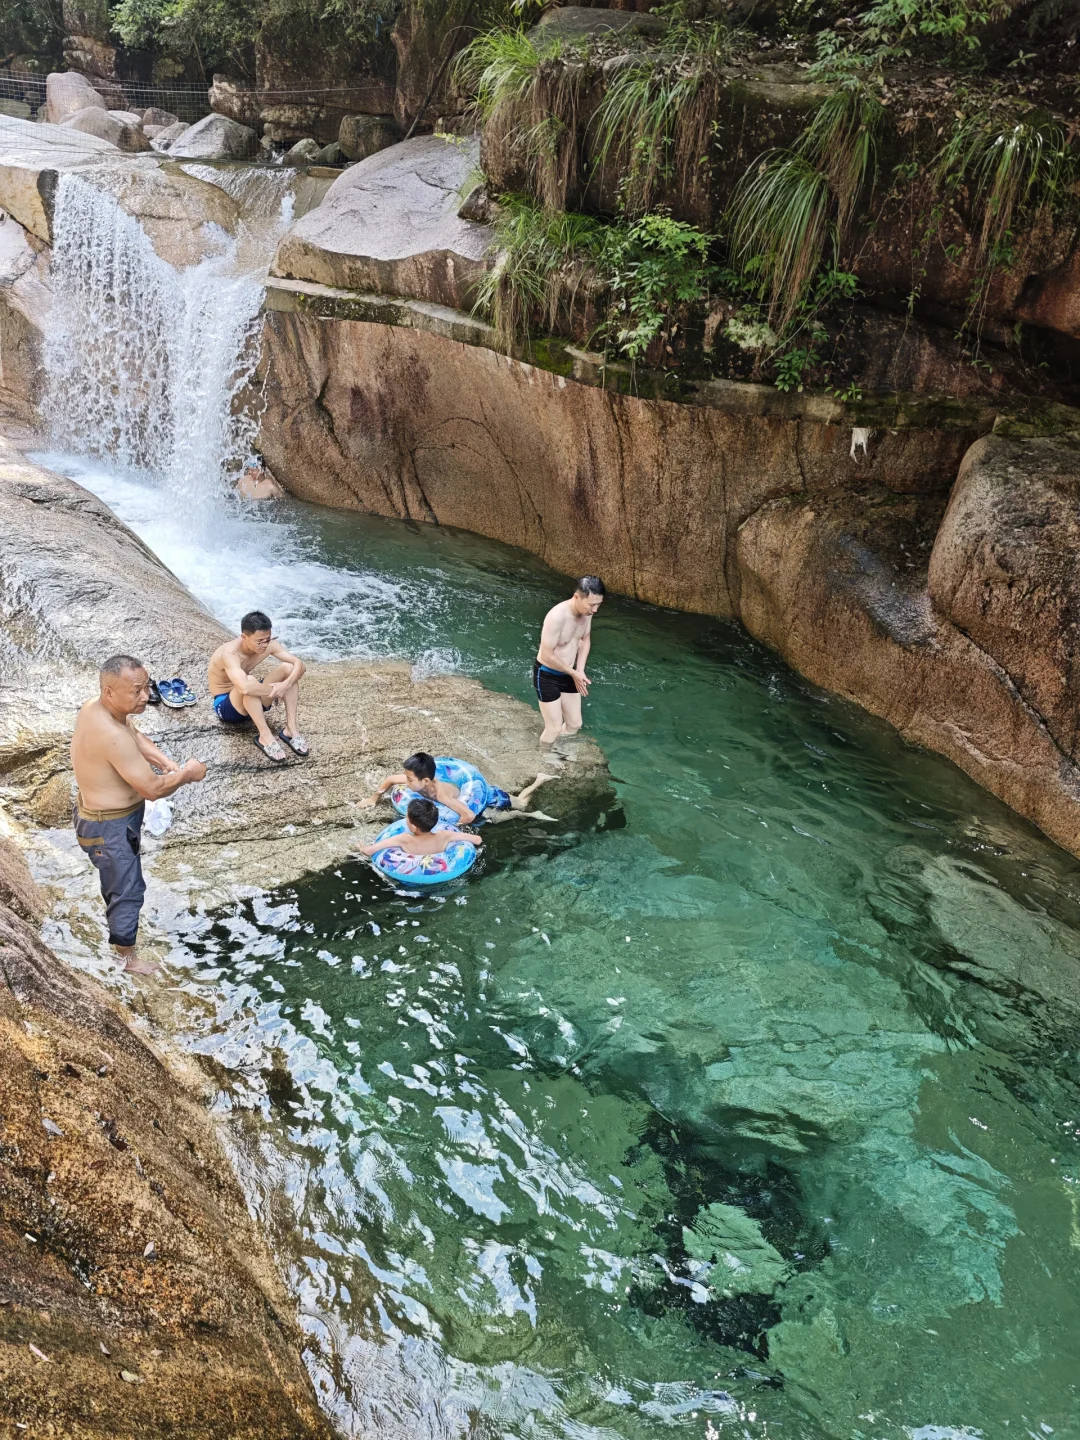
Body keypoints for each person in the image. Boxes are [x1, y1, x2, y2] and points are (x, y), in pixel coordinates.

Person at [70, 654, 207, 975]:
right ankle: (126, 960)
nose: (145, 696)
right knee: (128, 889)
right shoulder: (112, 735)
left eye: (147, 687)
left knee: (118, 880)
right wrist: (187, 773)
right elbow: (153, 789)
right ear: (110, 692)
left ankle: (117, 926)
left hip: (98, 818)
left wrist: (165, 762)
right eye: (136, 691)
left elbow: (134, 735)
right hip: (109, 827)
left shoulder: (95, 708)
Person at [207, 610, 308, 762]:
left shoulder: (268, 644)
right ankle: (265, 736)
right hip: (228, 706)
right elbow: (244, 688)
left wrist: (285, 685)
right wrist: (276, 690)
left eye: (268, 639)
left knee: (288, 668)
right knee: (249, 680)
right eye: (259, 641)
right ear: (244, 637)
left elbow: (299, 665)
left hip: (252, 700)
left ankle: (290, 729)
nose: (265, 645)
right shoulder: (230, 653)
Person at [359, 751, 553, 824]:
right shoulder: (417, 781)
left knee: (520, 805)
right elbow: (390, 780)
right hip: (468, 797)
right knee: (497, 815)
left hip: (483, 796)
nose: (405, 782)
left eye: (409, 779)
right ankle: (528, 803)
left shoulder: (441, 795)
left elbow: (467, 815)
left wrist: (451, 827)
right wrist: (373, 798)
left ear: (425, 781)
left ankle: (538, 783)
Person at [533, 576, 605, 744]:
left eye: (599, 604)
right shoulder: (557, 616)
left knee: (574, 724)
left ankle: (558, 751)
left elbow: (585, 639)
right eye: (592, 605)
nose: (595, 610)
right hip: (547, 674)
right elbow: (547, 654)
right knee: (554, 727)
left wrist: (579, 670)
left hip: (570, 673)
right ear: (577, 597)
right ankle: (544, 759)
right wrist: (573, 673)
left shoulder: (587, 613)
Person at [357, 797, 483, 859]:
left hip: (409, 880)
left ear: (413, 826)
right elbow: (477, 839)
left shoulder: (405, 839)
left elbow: (370, 851)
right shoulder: (444, 835)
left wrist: (361, 847)